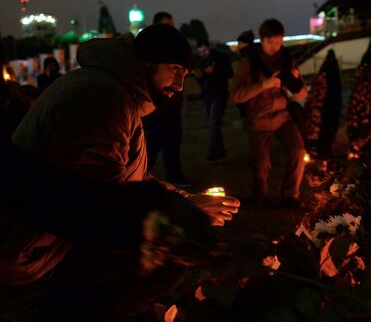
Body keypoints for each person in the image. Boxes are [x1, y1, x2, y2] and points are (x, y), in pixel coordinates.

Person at [12, 23, 239, 226]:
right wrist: (180, 212)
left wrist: (185, 200)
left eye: (185, 73)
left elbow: (134, 177)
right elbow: (100, 204)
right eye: (175, 69)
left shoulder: (122, 95)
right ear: (148, 63)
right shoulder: (102, 99)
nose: (180, 85)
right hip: (31, 248)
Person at [0, 140, 215, 322]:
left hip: (62, 220)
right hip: (41, 253)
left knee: (168, 268)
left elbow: (78, 202)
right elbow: (78, 211)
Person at [230, 18, 307, 207]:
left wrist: (295, 83)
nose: (276, 46)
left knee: (298, 150)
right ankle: (260, 196)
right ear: (262, 40)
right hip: (258, 119)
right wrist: (263, 85)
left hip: (282, 117)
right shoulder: (249, 63)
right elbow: (235, 96)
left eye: (279, 41)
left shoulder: (287, 60)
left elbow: (302, 94)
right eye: (271, 42)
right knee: (261, 165)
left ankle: (290, 196)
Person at [143, 12, 191, 187]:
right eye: (174, 69)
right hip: (158, 109)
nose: (179, 85)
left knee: (172, 139)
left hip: (171, 106)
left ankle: (174, 175)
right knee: (156, 141)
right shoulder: (117, 105)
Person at [195, 39, 234, 163]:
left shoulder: (221, 57)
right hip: (207, 96)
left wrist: (215, 71)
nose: (203, 54)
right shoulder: (202, 61)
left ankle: (215, 154)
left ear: (209, 47)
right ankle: (220, 153)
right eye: (200, 52)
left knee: (214, 124)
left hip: (219, 94)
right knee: (214, 125)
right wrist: (199, 77)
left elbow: (230, 73)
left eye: (204, 51)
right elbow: (203, 83)